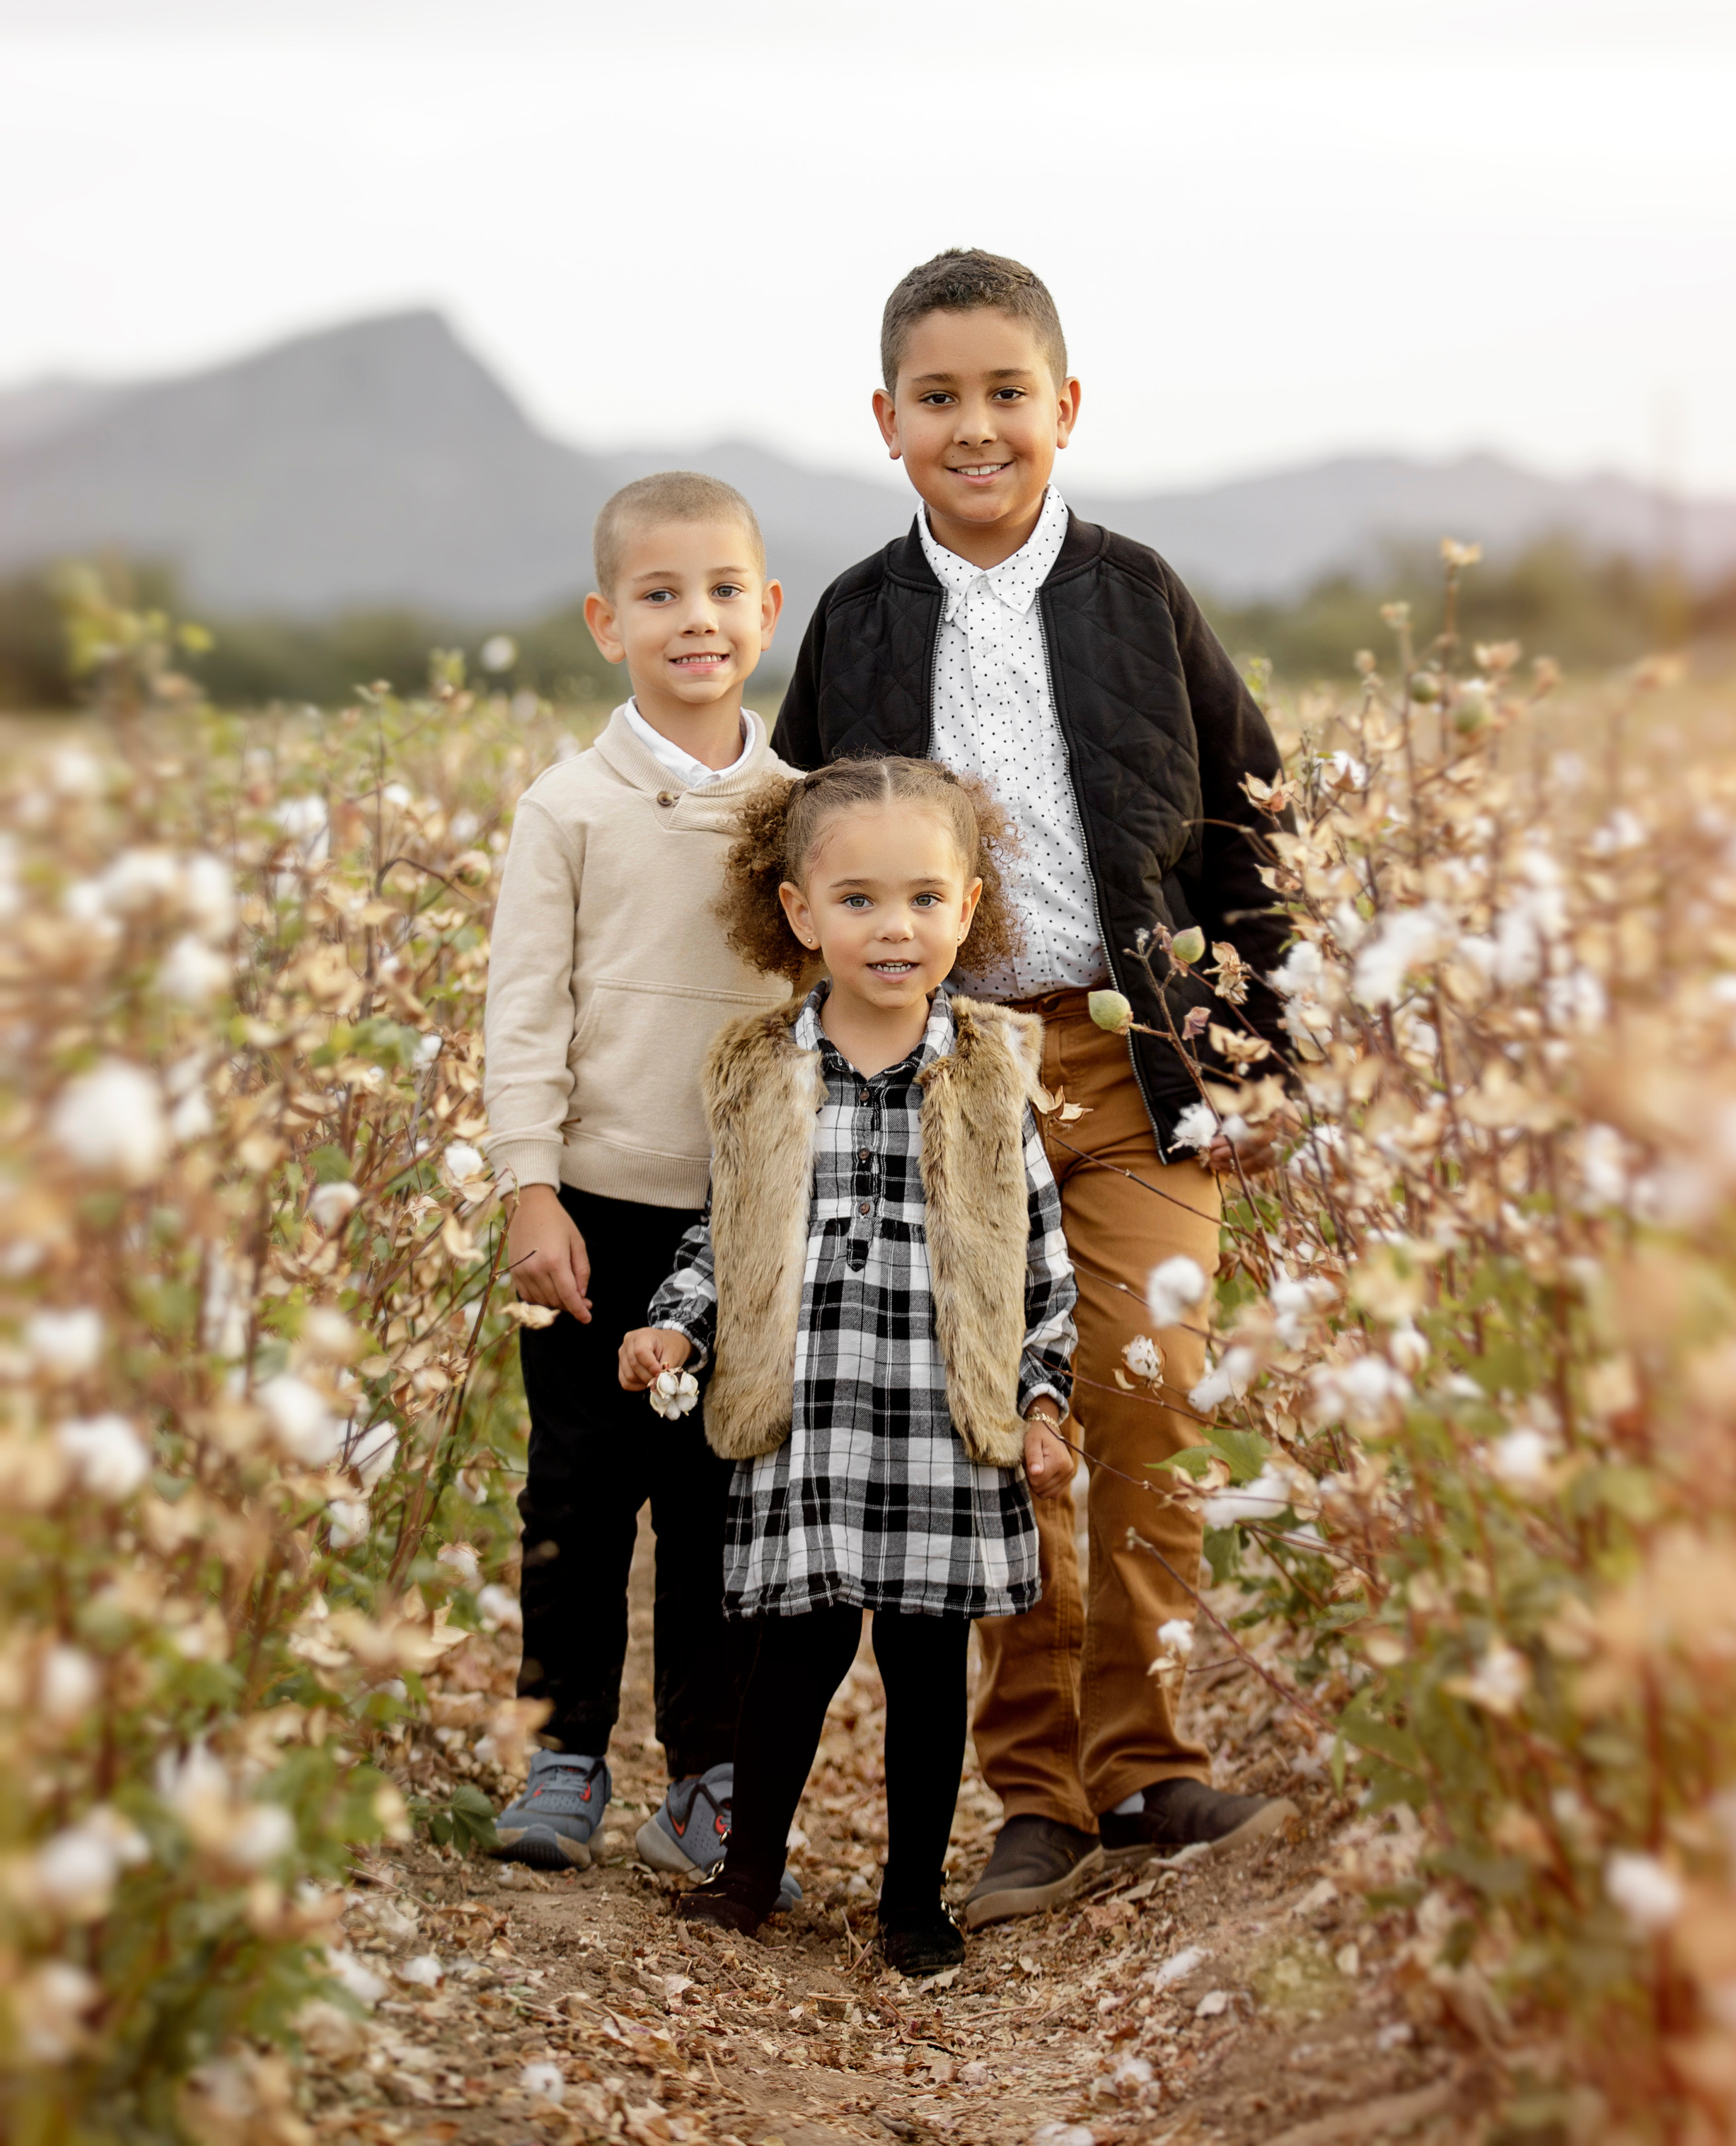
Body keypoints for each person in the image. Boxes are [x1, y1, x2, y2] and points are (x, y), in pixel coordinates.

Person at [774, 248, 1297, 1927]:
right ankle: (1035, 1796)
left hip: (1137, 1059)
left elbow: (1251, 827)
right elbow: (789, 855)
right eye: (938, 399)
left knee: (1146, 1396)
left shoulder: (1139, 595)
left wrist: (1262, 1058)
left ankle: (1143, 1760)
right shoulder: (857, 620)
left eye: (1007, 395)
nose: (975, 426)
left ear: (1064, 410)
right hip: (955, 1075)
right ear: (886, 421)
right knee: (993, 1429)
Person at [619, 756, 1077, 1976]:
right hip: (812, 1415)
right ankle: (751, 1871)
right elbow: (721, 1237)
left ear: (969, 911)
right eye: (861, 900)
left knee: (929, 1670)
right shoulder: (764, 1069)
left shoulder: (989, 1073)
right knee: (795, 1658)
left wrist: (1042, 1395)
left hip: (941, 1415)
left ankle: (912, 1901)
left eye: (927, 900)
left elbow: (1041, 1260)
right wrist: (678, 1325)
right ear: (799, 913)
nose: (896, 928)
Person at [482, 470, 801, 1889]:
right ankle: (561, 1758)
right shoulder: (565, 809)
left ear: (767, 611)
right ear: (607, 622)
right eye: (661, 595)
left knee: (721, 1500)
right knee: (576, 1493)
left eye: (724, 591)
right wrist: (527, 1186)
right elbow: (523, 1013)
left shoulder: (801, 809)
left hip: (743, 1216)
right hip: (592, 1212)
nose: (697, 619)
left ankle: (710, 1781)